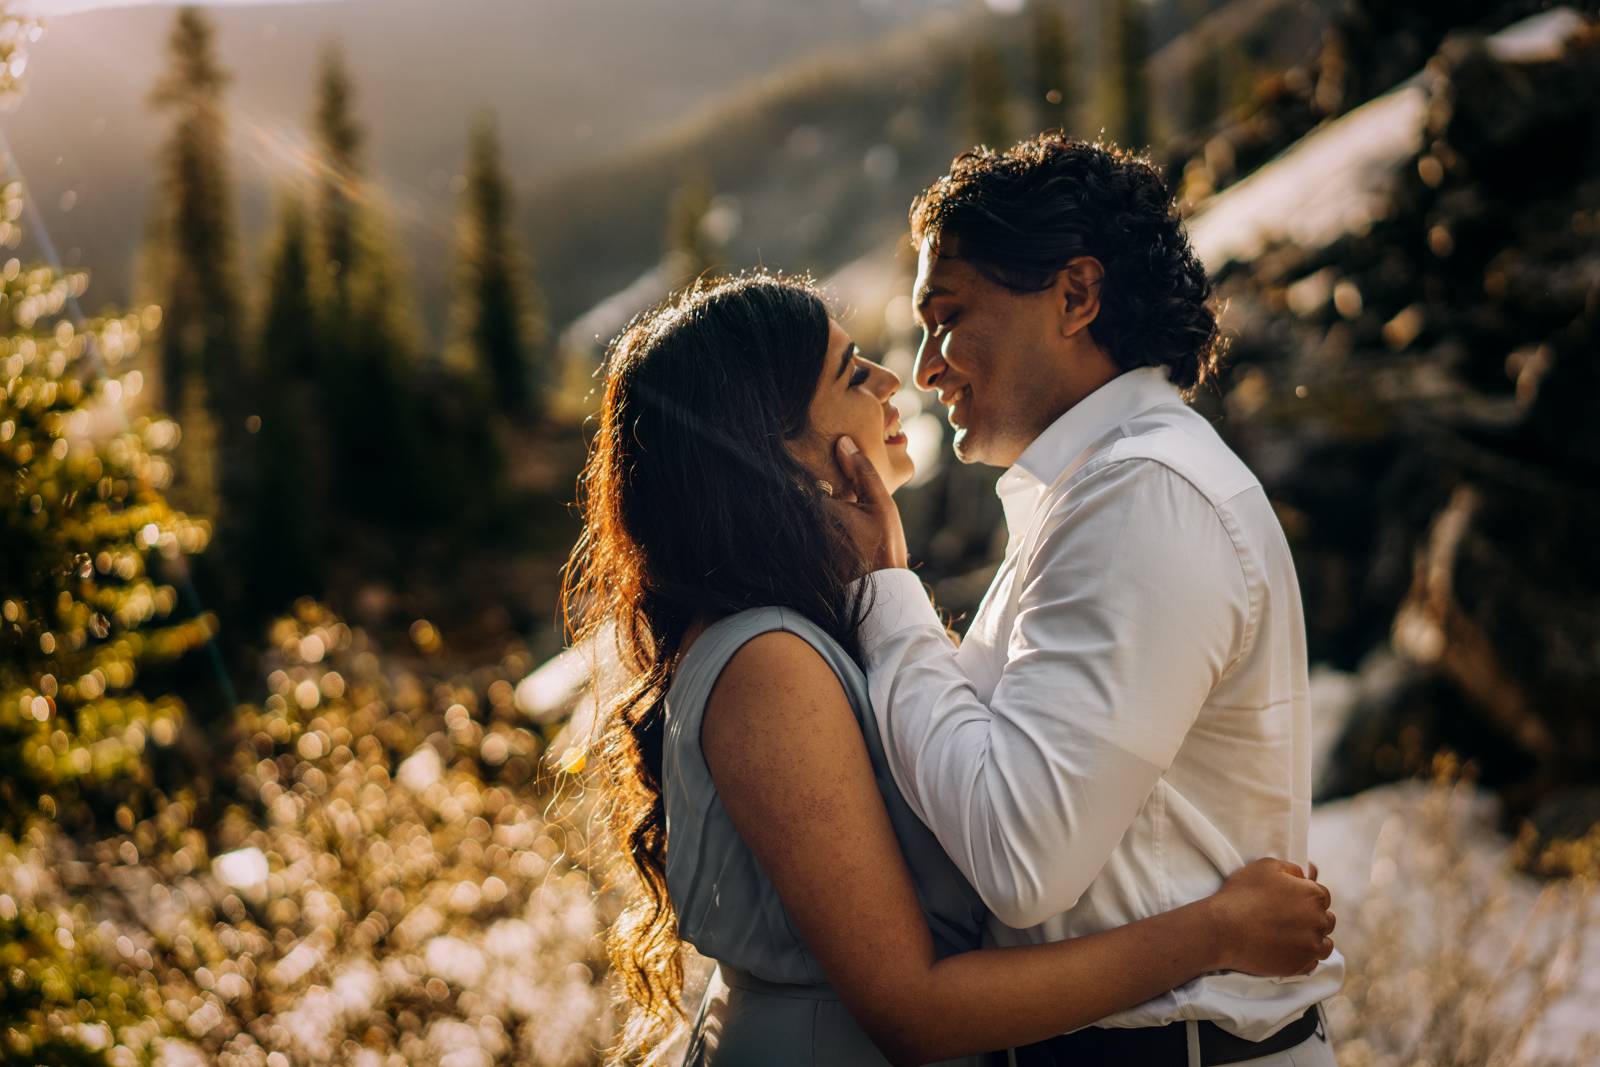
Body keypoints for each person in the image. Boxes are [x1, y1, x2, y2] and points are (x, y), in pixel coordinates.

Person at [560, 271, 1337, 1067]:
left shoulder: (822, 622)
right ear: (774, 448)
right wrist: (1214, 930)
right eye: (852, 371)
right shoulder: (770, 664)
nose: (897, 379)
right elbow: (914, 1007)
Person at [825, 135, 1347, 1067]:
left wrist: (885, 590)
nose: (929, 366)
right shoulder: (1102, 492)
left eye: (948, 318)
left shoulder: (1143, 496)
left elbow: (1022, 859)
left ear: (1075, 295)